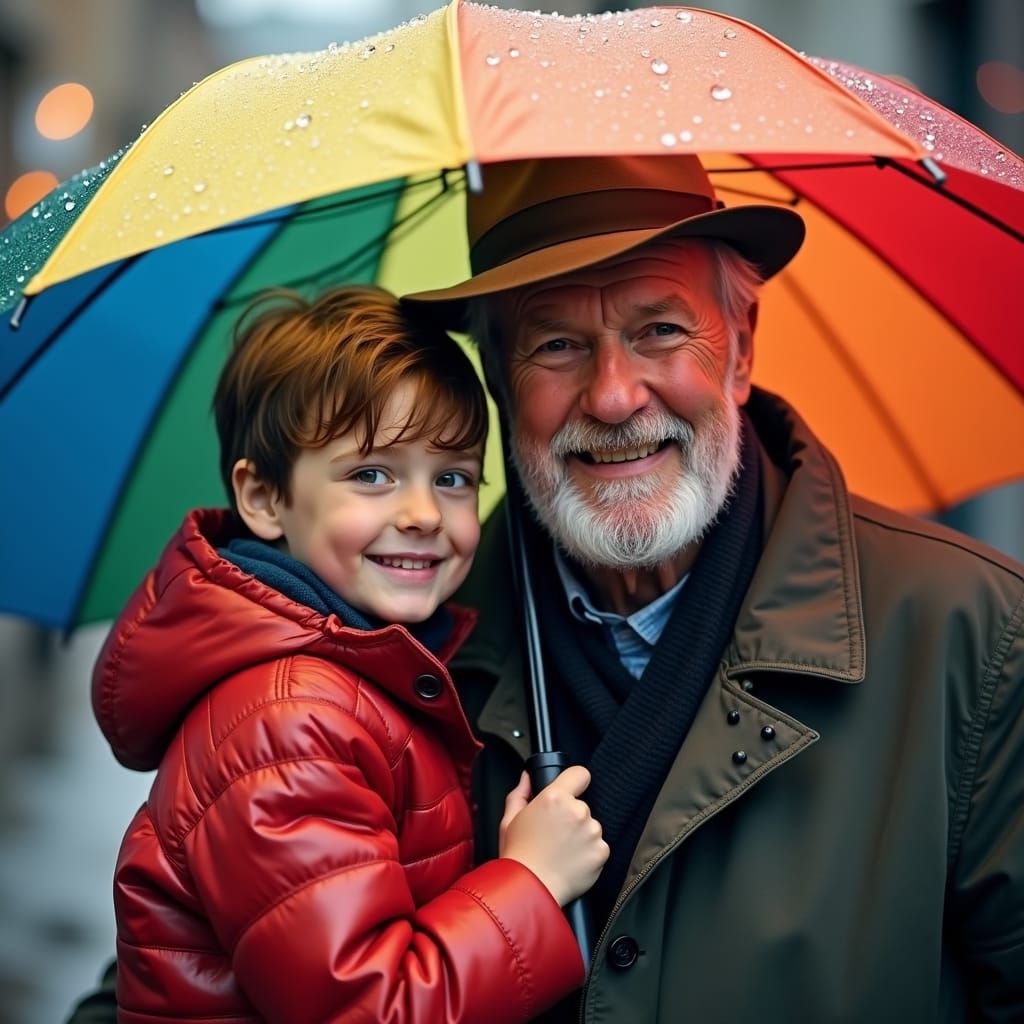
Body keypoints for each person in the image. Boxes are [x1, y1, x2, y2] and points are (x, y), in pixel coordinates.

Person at [68, 156, 1024, 1023]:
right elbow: (199, 972)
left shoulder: (970, 636)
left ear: (740, 345)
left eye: (659, 330)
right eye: (557, 346)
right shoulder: (391, 660)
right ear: (494, 375)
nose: (614, 396)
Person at [83, 285, 607, 1023]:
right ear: (264, 499)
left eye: (452, 477)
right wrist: (529, 878)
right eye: (372, 474)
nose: (424, 514)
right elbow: (369, 1006)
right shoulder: (286, 727)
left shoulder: (367, 676)